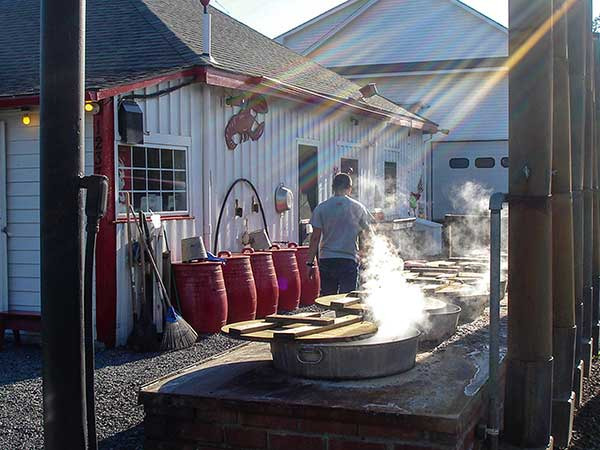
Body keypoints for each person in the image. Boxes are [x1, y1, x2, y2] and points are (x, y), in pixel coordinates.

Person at [306, 173, 373, 295]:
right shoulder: (358, 207)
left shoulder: (321, 208)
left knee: (328, 300)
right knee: (347, 301)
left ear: (333, 187)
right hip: (348, 260)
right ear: (350, 188)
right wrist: (368, 259)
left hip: (327, 259)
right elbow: (368, 235)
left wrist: (310, 263)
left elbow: (315, 238)